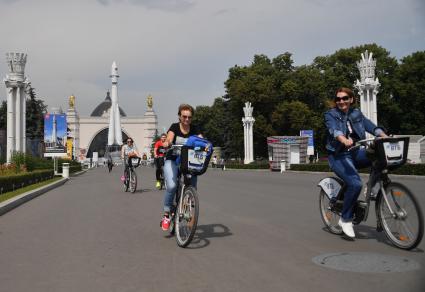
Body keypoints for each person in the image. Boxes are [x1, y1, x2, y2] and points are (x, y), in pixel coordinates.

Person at [324, 87, 387, 238]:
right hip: (338, 155)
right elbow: (334, 130)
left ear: (351, 99)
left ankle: (371, 184)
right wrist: (344, 140)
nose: (341, 101)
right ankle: (345, 219)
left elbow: (370, 126)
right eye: (338, 99)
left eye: (345, 98)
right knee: (355, 183)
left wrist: (383, 135)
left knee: (381, 156)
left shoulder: (356, 113)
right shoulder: (330, 114)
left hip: (355, 152)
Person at [160, 104, 202, 231]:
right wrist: (167, 143)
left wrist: (205, 144)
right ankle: (166, 214)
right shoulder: (174, 127)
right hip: (172, 159)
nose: (187, 119)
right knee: (172, 186)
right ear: (179, 116)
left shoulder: (195, 129)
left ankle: (189, 211)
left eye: (189, 117)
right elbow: (169, 138)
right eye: (184, 116)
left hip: (188, 162)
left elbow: (201, 140)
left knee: (192, 188)